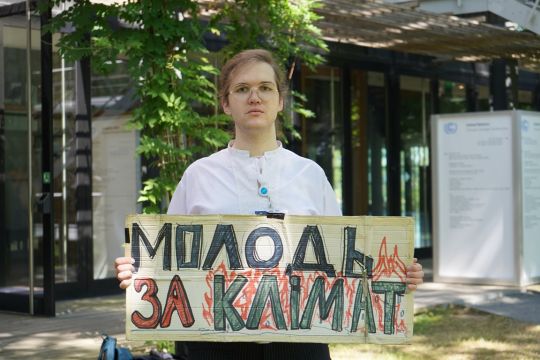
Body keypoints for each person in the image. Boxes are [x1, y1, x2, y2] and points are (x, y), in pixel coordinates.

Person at [115, 49, 425, 360]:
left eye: (265, 87)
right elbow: (169, 264)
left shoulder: (310, 175)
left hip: (300, 344)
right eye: (242, 89)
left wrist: (396, 277)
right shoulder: (198, 175)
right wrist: (140, 271)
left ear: (280, 101)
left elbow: (344, 267)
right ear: (225, 103)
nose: (255, 97)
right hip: (213, 345)